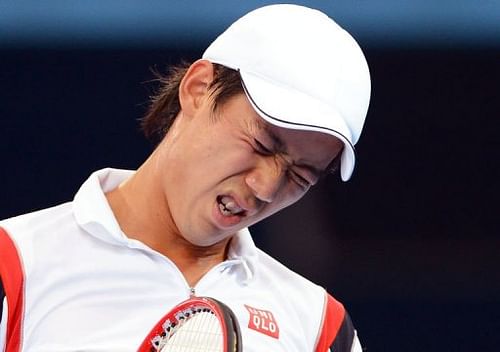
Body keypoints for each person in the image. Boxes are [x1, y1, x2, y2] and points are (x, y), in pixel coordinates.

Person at [0, 4, 370, 351]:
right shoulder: (14, 265)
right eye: (260, 144)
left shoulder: (320, 328)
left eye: (300, 176)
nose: (266, 187)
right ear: (198, 89)